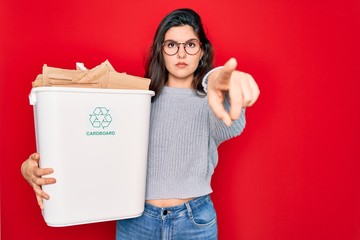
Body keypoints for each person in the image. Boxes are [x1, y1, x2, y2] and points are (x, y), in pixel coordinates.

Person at [21, 8, 259, 240]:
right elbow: (85, 142)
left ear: (202, 52)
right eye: (172, 45)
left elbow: (230, 120)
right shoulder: (134, 99)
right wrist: (29, 168)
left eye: (191, 45)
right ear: (161, 51)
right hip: (136, 220)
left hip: (195, 221)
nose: (181, 53)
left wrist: (217, 78)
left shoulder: (211, 101)